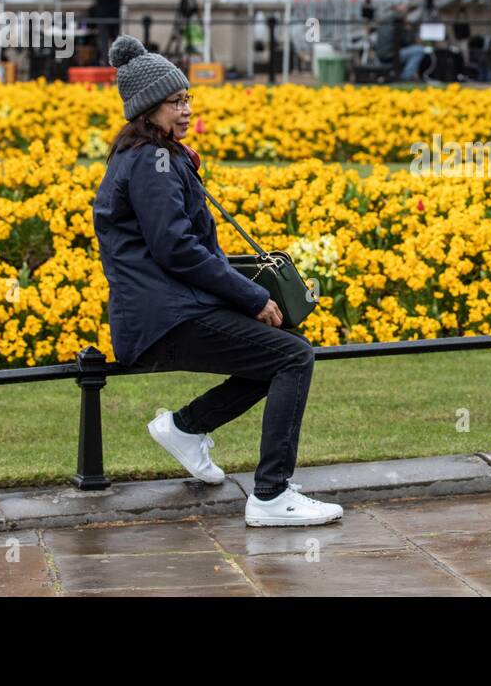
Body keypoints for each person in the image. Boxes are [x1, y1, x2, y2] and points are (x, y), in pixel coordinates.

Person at [92, 34, 342, 528]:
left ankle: (186, 429)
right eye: (175, 102)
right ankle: (270, 495)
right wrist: (251, 296)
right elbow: (176, 248)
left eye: (187, 99)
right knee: (293, 355)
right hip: (164, 319)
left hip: (165, 311)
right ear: (148, 109)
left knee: (281, 350)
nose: (185, 110)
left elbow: (183, 247)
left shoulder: (154, 155)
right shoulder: (153, 160)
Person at [376, 3, 428, 81]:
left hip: (382, 55)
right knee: (420, 50)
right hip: (391, 55)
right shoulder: (398, 21)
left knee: (413, 50)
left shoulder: (387, 19)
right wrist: (409, 29)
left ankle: (405, 76)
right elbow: (408, 41)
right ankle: (405, 77)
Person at [85, 0, 122, 66]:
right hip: (115, 15)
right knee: (116, 40)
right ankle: (118, 61)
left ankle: (105, 62)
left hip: (102, 16)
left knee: (104, 41)